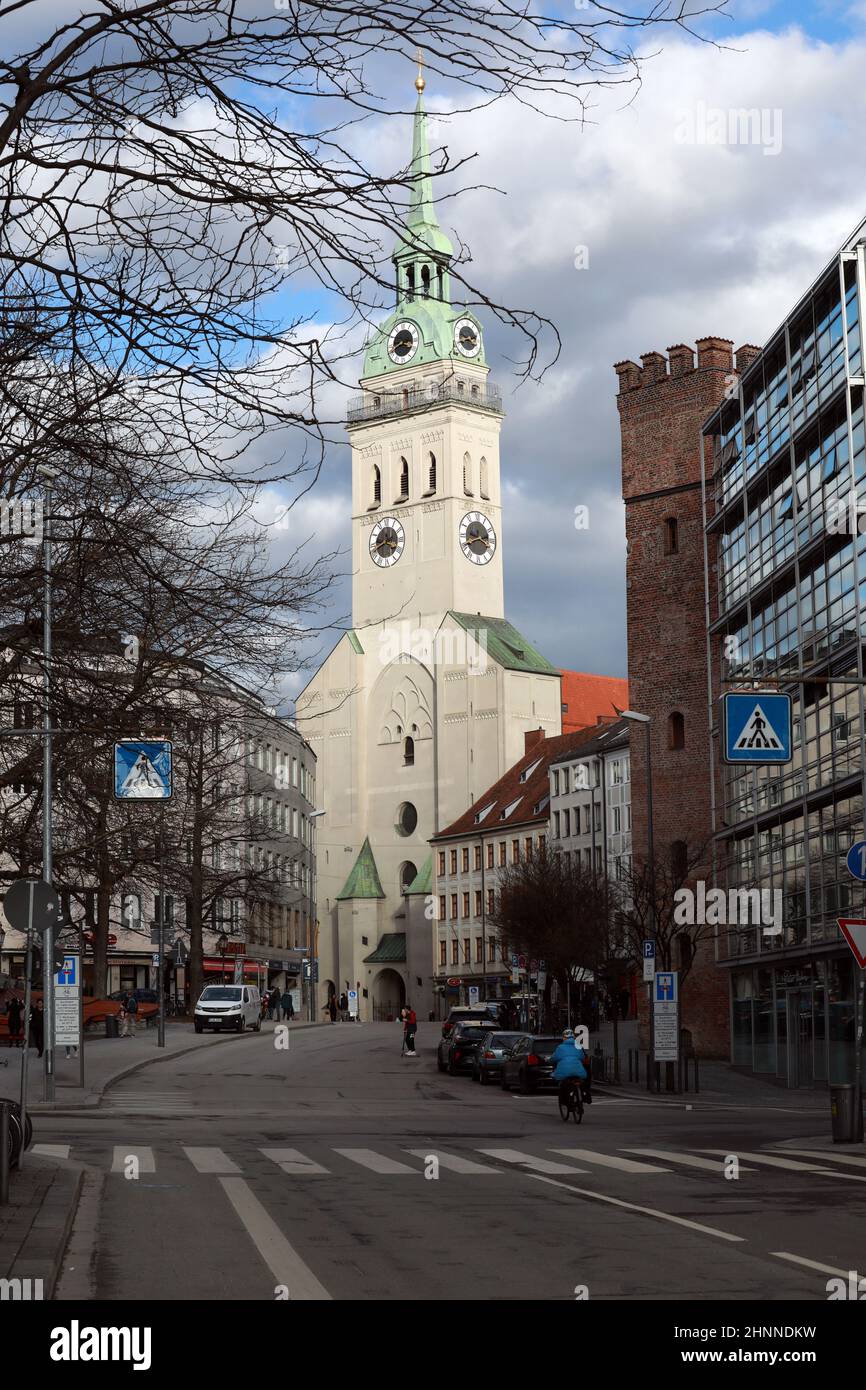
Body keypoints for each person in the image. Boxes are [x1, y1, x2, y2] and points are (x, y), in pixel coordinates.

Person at [550, 1028, 589, 1109]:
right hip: (579, 1071)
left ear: (564, 1038)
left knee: (563, 1084)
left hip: (565, 1072)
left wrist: (550, 1060)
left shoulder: (560, 1047)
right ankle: (582, 1097)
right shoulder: (578, 1046)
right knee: (581, 1082)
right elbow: (582, 1057)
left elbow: (553, 1059)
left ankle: (566, 1102)